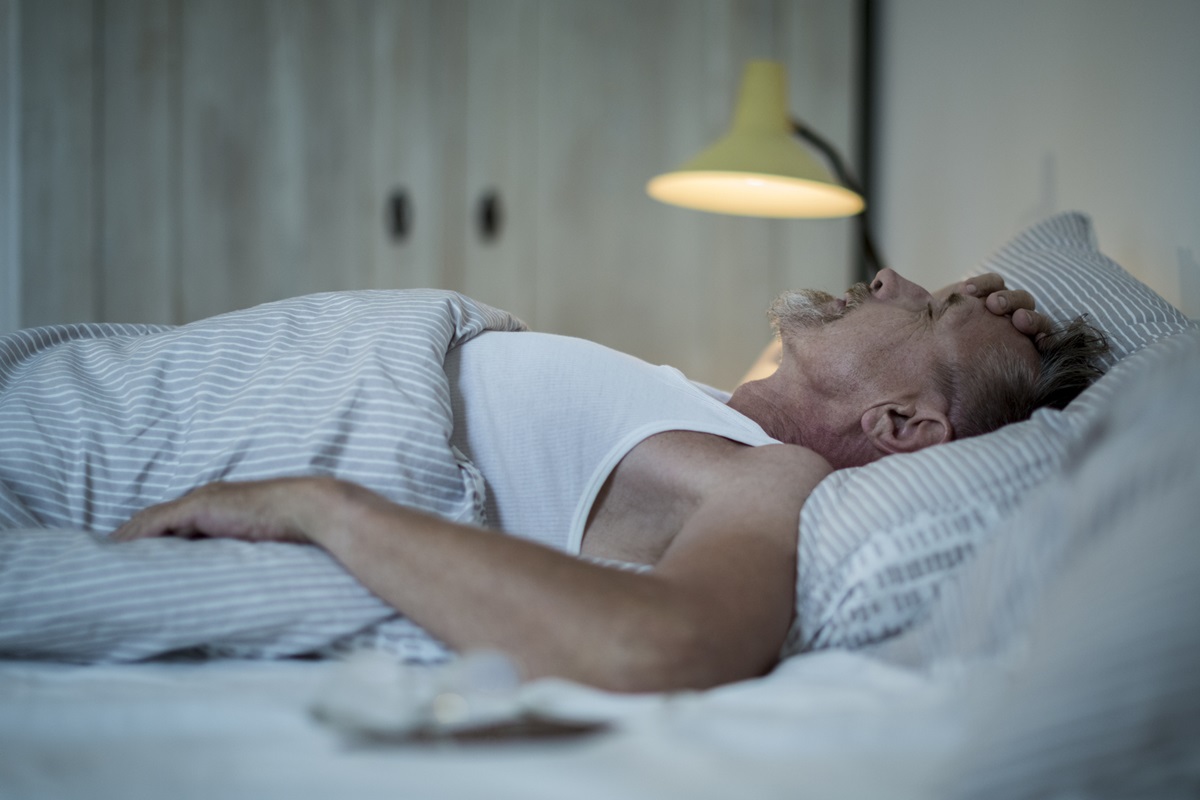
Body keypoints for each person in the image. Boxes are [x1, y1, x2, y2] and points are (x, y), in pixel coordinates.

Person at [85, 271, 1110, 690]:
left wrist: (316, 502)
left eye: (924, 308)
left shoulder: (771, 475)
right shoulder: (708, 403)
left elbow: (667, 637)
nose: (888, 278)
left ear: (899, 424)